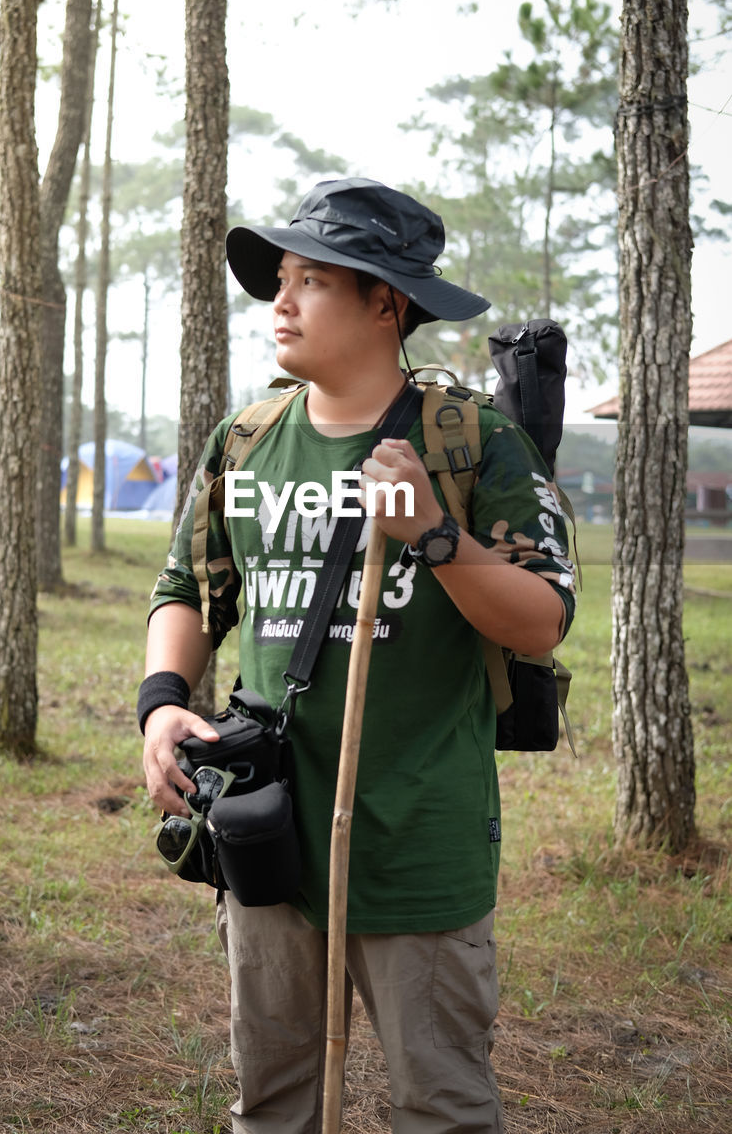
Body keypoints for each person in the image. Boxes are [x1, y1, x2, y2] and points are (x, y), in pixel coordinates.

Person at [139, 177, 576, 1134]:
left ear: (387, 303)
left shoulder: (477, 446)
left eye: (311, 281)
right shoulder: (247, 442)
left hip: (421, 841)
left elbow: (541, 620)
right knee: (275, 1105)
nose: (280, 302)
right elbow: (189, 591)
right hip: (268, 833)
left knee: (443, 1107)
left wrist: (433, 533)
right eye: (279, 279)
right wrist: (165, 699)